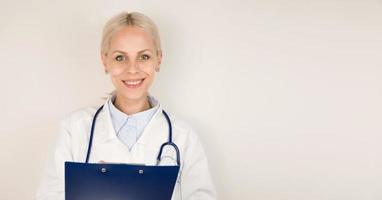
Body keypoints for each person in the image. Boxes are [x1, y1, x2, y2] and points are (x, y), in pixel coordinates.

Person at [35, 11, 216, 200]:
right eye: (120, 57)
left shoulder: (183, 137)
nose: (132, 69)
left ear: (158, 59)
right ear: (105, 61)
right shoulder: (74, 129)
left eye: (144, 56)